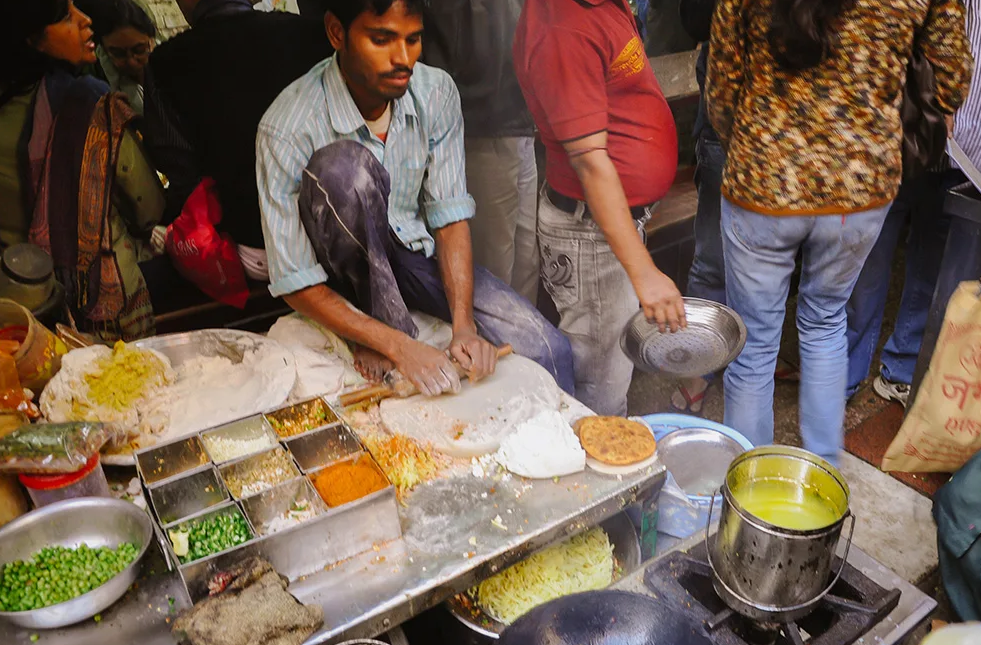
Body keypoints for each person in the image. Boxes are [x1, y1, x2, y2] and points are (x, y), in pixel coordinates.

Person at [256, 0, 574, 397]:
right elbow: (294, 278)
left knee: (548, 349)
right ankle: (379, 325)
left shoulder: (435, 92)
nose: (403, 58)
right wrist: (398, 345)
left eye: (414, 39)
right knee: (345, 170)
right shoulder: (286, 126)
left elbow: (449, 215)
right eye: (382, 39)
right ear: (337, 33)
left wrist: (464, 327)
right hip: (341, 275)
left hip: (413, 258)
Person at [707, 0, 971, 462]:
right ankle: (822, 480)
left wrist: (750, 147)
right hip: (861, 188)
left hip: (763, 182)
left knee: (753, 346)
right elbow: (951, 79)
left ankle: (748, 498)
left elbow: (722, 84)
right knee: (826, 322)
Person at [513, 0, 685, 416]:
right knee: (600, 388)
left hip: (606, 226)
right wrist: (644, 273)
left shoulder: (597, 5)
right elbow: (590, 162)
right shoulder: (562, 26)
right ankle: (595, 469)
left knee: (609, 370)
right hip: (588, 236)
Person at [1, 1, 165, 341]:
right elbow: (149, 208)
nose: (85, 21)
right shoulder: (92, 106)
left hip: (19, 308)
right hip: (99, 310)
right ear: (30, 39)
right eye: (65, 16)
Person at [144, 0, 333, 282]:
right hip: (331, 239)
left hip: (251, 252)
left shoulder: (164, 63)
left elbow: (181, 174)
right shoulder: (313, 36)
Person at [423, 1, 540, 304]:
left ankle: (526, 347)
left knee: (527, 259)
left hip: (520, 114)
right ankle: (495, 346)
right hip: (481, 121)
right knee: (495, 268)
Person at [92, 0, 156, 113]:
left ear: (152, 42)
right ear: (104, 52)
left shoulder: (171, 71)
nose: (131, 61)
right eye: (119, 54)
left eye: (139, 50)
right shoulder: (98, 87)